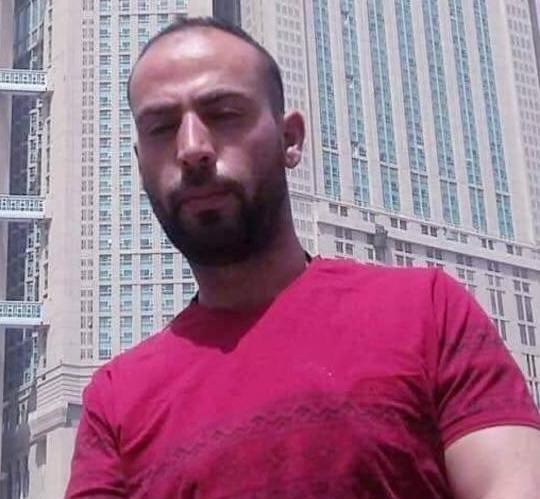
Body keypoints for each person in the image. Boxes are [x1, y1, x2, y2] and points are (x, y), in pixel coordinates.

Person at [66, 16, 540, 499]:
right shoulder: (115, 402)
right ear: (140, 163)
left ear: (290, 139)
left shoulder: (427, 311)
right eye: (162, 127)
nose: (192, 148)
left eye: (224, 114)